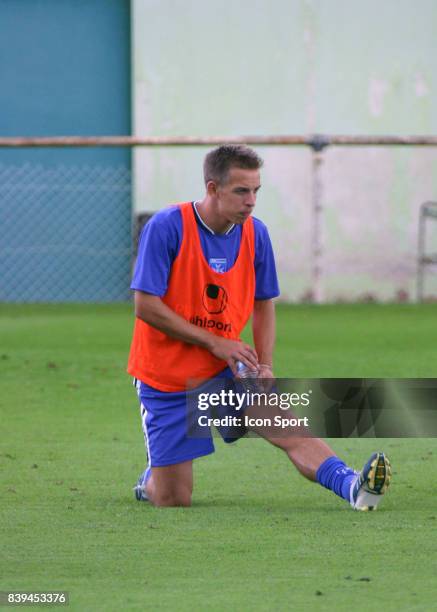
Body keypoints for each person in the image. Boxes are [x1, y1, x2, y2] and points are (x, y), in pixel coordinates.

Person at [127, 144, 391, 510]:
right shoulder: (166, 227)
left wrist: (264, 364)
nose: (251, 201)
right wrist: (214, 342)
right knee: (174, 500)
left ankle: (352, 487)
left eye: (256, 191)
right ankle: (152, 479)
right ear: (212, 189)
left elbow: (264, 303)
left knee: (284, 425)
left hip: (228, 369)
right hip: (166, 376)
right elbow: (145, 305)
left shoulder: (256, 233)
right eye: (241, 191)